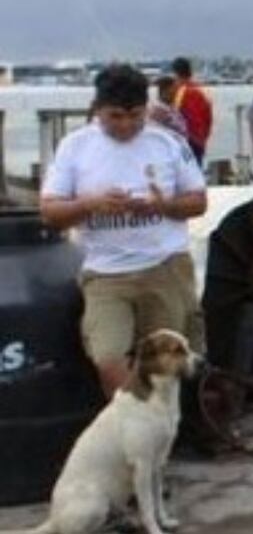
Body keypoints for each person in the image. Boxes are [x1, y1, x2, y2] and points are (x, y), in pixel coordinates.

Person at [39, 63, 207, 397]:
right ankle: (134, 417)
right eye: (115, 116)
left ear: (146, 108)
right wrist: (90, 204)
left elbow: (198, 201)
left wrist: (163, 206)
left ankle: (160, 419)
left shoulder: (169, 142)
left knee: (169, 362)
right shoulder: (74, 146)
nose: (126, 125)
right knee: (108, 356)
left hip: (164, 266)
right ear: (97, 109)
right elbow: (50, 212)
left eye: (135, 115)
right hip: (106, 272)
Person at [171, 57, 213, 165]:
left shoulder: (183, 93)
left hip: (189, 143)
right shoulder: (199, 91)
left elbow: (187, 119)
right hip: (199, 141)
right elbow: (207, 118)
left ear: (176, 74)